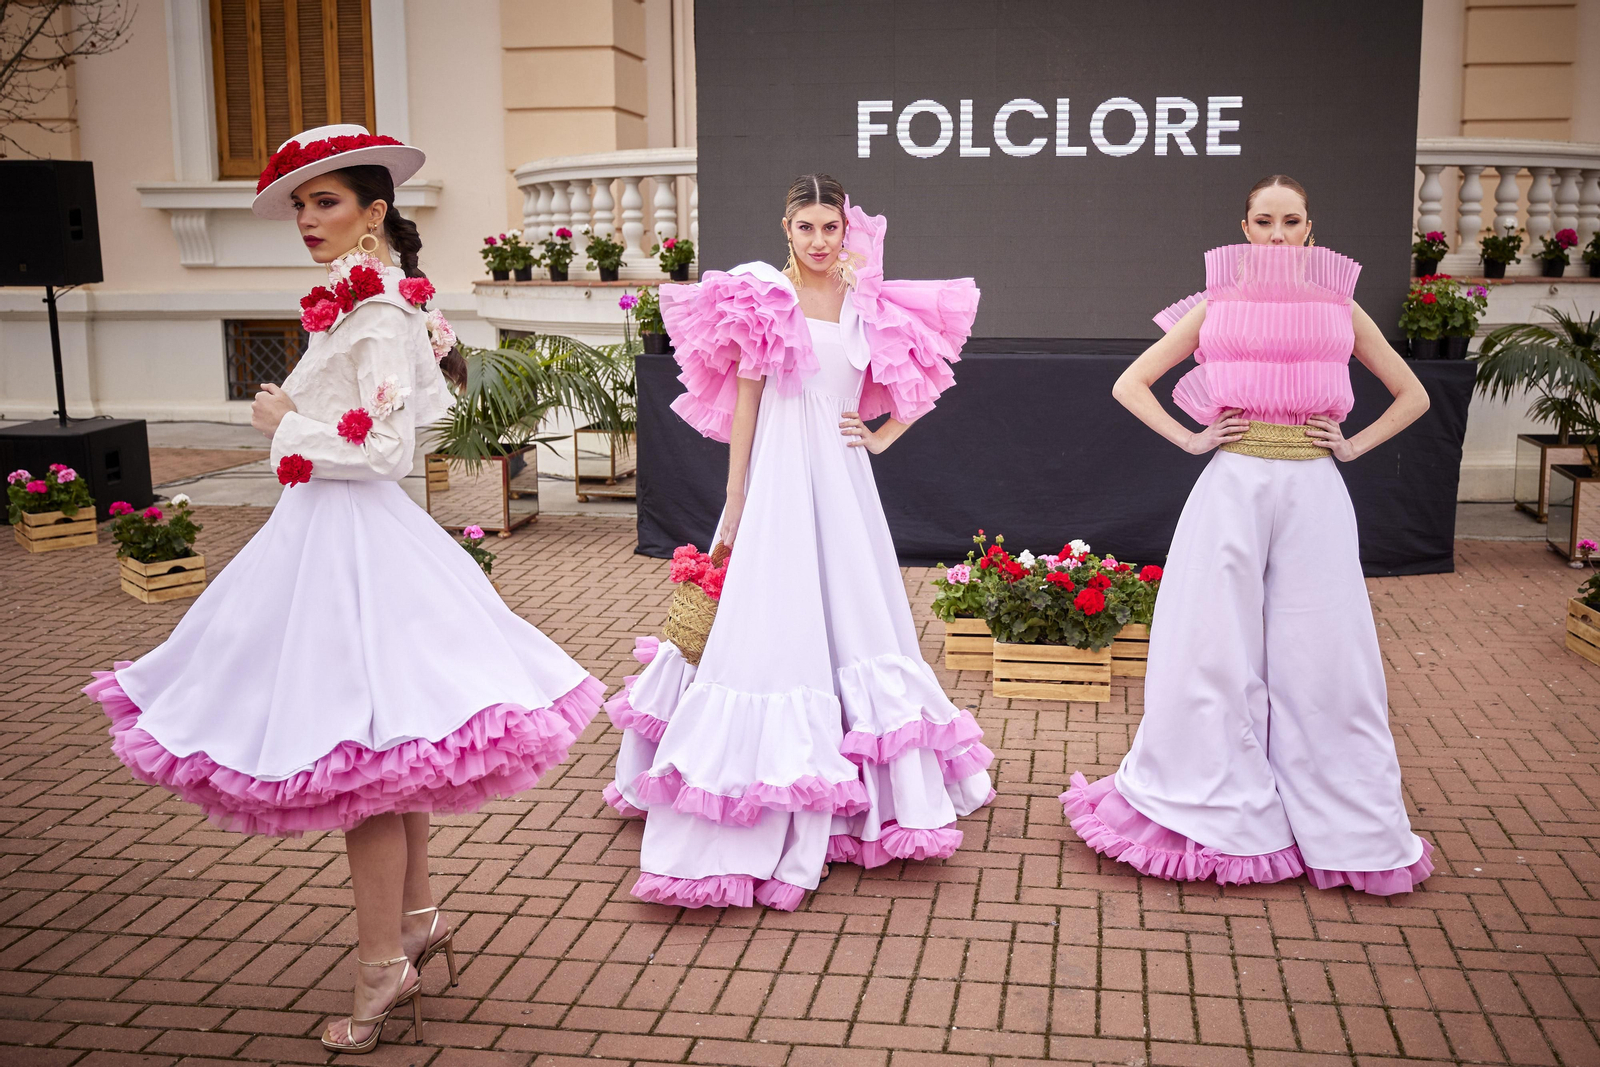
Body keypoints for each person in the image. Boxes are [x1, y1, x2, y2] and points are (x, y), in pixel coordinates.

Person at [84, 124, 605, 1052]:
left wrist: (286, 425)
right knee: (387, 749)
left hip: (353, 549)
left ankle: (380, 965)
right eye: (299, 205)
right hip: (337, 543)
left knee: (362, 760)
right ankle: (411, 924)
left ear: (375, 213)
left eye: (326, 202)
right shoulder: (362, 306)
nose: (307, 220)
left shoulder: (375, 315)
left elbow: (389, 452)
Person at [603, 174, 993, 910]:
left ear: (848, 231)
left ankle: (866, 796)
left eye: (831, 227)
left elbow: (925, 379)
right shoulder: (763, 298)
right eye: (806, 226)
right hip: (779, 481)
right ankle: (764, 788)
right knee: (773, 626)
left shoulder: (869, 303)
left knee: (855, 616)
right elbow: (746, 406)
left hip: (844, 484)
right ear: (785, 227)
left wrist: (878, 437)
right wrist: (734, 498)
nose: (819, 240)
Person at [1062, 174, 1435, 896]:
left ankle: (1345, 825)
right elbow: (1131, 382)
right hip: (1231, 485)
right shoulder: (1217, 302)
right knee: (1209, 650)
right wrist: (1193, 438)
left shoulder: (1339, 303)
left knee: (1329, 658)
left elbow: (1414, 392)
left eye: (1289, 221)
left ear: (1309, 229)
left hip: (1315, 491)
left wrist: (1353, 445)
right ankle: (1213, 806)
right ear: (1244, 227)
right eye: (1263, 220)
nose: (1275, 234)